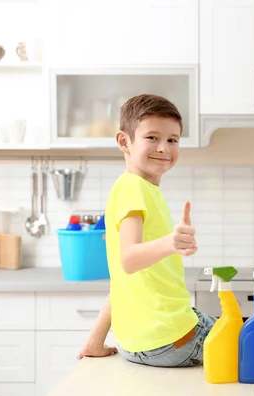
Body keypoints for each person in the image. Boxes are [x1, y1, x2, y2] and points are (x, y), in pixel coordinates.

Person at [78, 94, 216, 367]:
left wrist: (95, 341)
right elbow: (129, 260)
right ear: (124, 142)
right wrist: (172, 243)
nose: (164, 148)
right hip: (169, 340)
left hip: (136, 344)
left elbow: (120, 280)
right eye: (152, 137)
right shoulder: (134, 187)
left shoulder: (135, 188)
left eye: (172, 140)